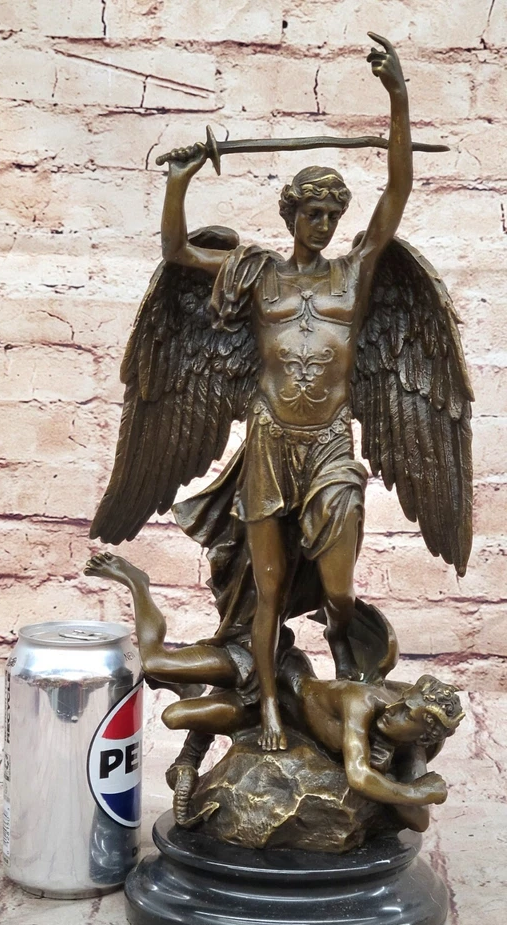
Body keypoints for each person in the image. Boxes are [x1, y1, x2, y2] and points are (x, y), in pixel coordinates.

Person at [159, 34, 414, 752]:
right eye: (314, 213)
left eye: (333, 215)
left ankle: (345, 657)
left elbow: (398, 191)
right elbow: (177, 252)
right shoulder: (259, 274)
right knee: (267, 592)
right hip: (270, 441)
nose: (325, 225)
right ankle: (271, 708)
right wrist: (179, 183)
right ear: (291, 214)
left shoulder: (354, 273)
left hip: (329, 443)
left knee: (337, 590)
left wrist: (397, 97)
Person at [84, 551, 463, 833]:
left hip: (271, 716)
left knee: (173, 717)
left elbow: (418, 823)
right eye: (403, 702)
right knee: (155, 663)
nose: (395, 709)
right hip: (272, 667)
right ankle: (137, 581)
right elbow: (360, 776)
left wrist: (415, 781)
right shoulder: (363, 701)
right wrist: (419, 792)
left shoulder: (408, 746)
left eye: (406, 714)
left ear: (423, 736)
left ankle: (192, 698)